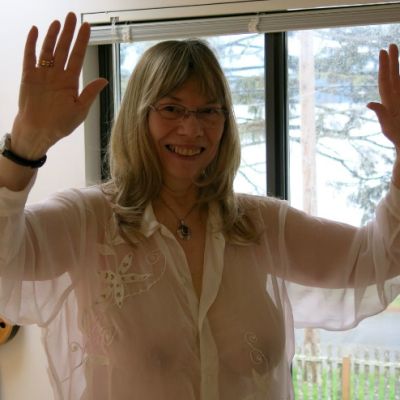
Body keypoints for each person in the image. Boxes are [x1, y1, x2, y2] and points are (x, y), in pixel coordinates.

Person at [0, 11, 399, 400]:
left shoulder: (260, 224)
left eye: (209, 111)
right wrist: (26, 143)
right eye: (172, 108)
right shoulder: (88, 220)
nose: (192, 128)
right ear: (139, 115)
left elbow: (378, 256)